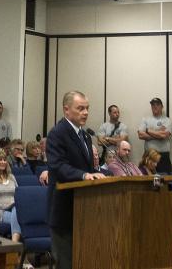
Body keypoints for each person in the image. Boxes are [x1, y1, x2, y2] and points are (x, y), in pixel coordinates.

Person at [46, 91, 106, 269]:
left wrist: (97, 173)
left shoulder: (85, 135)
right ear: (66, 110)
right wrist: (84, 176)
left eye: (87, 108)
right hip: (64, 209)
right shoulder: (58, 133)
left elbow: (86, 168)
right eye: (80, 108)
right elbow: (58, 166)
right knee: (66, 263)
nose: (85, 112)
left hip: (83, 210)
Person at [138, 97, 172, 173]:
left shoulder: (167, 120)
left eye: (157, 104)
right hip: (149, 156)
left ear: (162, 106)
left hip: (163, 157)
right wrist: (158, 133)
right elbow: (140, 135)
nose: (155, 106)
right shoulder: (145, 119)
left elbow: (163, 136)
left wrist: (148, 131)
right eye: (153, 105)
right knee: (146, 181)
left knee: (164, 181)